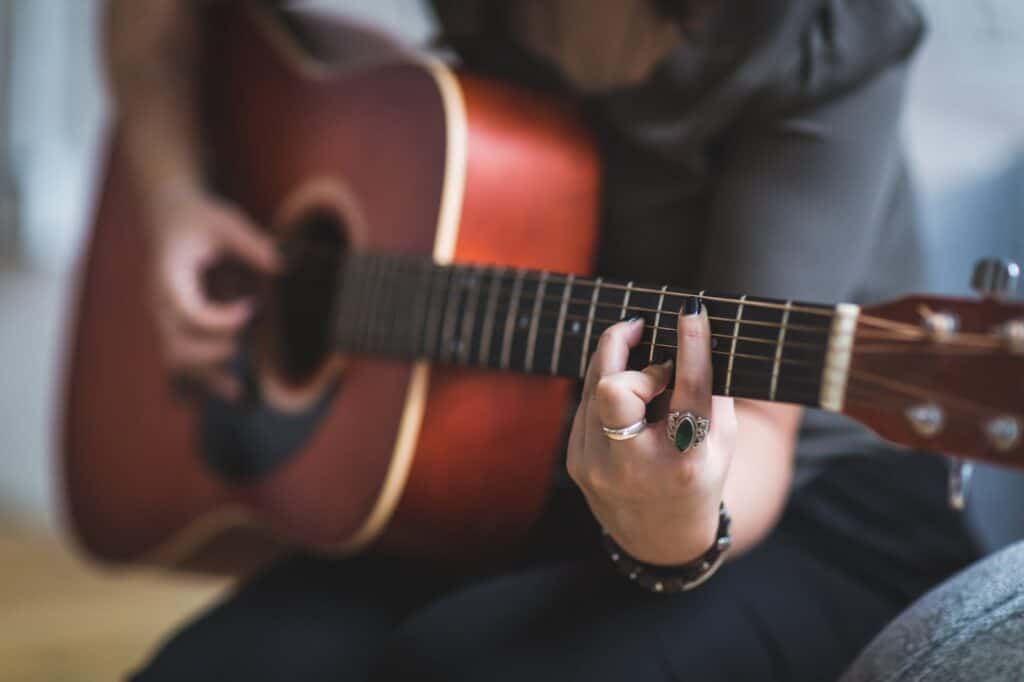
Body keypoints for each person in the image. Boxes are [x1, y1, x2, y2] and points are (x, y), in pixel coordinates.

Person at [106, 1, 980, 680]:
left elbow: (752, 427)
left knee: (463, 665)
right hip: (506, 460)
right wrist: (173, 193)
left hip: (808, 508)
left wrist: (674, 522)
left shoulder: (818, 25)